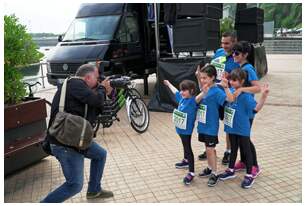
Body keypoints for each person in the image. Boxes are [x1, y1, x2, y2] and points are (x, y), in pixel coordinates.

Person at [41, 64, 114, 203]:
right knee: (74, 185)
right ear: (87, 77)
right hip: (64, 143)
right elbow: (96, 100)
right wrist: (102, 88)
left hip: (75, 138)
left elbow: (95, 109)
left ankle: (94, 190)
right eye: (97, 78)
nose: (98, 82)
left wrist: (105, 93)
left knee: (100, 155)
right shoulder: (75, 85)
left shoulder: (78, 87)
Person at [218, 68, 269, 189]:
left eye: (235, 80)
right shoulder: (230, 91)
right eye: (231, 80)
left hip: (242, 128)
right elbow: (229, 99)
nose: (231, 82)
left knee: (246, 151)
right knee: (233, 149)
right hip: (231, 127)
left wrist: (263, 96)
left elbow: (255, 109)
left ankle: (250, 174)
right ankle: (230, 170)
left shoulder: (246, 96)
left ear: (242, 81)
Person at [198, 31, 240, 164]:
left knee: (227, 124)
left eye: (227, 43)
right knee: (210, 121)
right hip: (213, 94)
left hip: (227, 95)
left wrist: (230, 79)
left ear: (234, 42)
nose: (224, 45)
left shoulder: (237, 58)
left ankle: (228, 151)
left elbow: (241, 78)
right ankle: (209, 148)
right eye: (222, 42)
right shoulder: (219, 53)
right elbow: (211, 69)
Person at [195, 64, 235, 187]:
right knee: (208, 148)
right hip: (202, 125)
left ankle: (214, 173)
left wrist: (226, 87)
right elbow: (197, 99)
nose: (202, 81)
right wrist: (199, 79)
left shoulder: (217, 91)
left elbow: (230, 100)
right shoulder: (204, 89)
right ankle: (209, 167)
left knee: (210, 149)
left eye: (205, 78)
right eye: (201, 78)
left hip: (211, 126)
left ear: (212, 78)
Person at [231, 41, 262, 178]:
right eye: (233, 52)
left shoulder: (248, 68)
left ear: (245, 55)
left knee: (245, 139)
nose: (233, 55)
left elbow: (257, 88)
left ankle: (254, 165)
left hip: (247, 110)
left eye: (236, 53)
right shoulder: (240, 66)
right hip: (239, 109)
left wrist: (242, 89)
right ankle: (244, 161)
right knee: (240, 138)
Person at [163, 79, 197, 185]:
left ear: (191, 91)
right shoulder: (182, 98)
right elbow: (175, 91)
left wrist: (205, 90)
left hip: (186, 130)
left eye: (184, 90)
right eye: (182, 90)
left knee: (187, 147)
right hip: (180, 129)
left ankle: (191, 172)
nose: (182, 92)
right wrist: (168, 83)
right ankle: (186, 160)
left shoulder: (193, 101)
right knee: (184, 144)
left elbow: (201, 96)